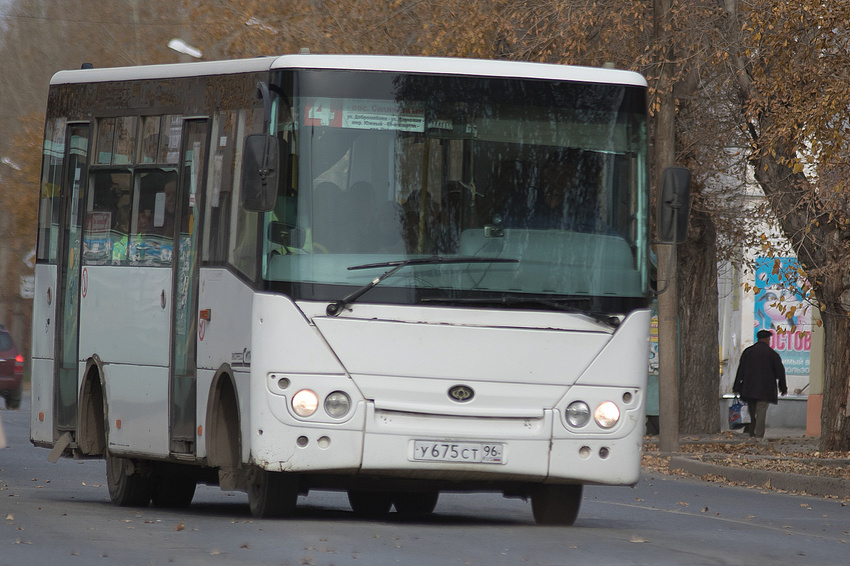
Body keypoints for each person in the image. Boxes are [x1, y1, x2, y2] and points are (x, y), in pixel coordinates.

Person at [733, 329, 788, 439]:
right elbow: (780, 373)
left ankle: (750, 433)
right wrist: (783, 388)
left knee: (751, 412)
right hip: (765, 390)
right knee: (761, 413)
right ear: (767, 339)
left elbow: (741, 370)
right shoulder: (772, 354)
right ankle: (759, 435)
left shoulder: (748, 352)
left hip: (748, 389)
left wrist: (736, 386)